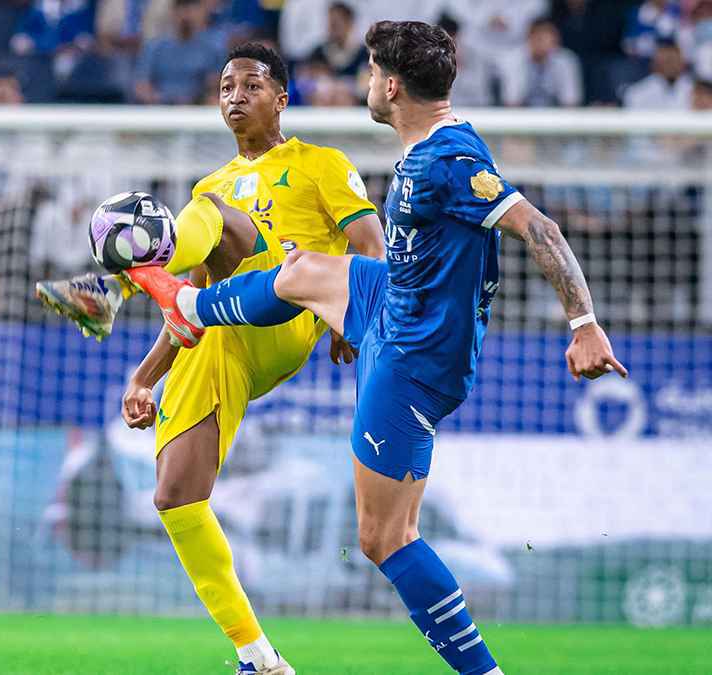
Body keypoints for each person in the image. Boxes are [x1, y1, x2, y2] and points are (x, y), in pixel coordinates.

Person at [110, 21, 627, 674]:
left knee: (383, 537)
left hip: (412, 354)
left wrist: (584, 322)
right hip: (389, 298)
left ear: (388, 84)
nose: (361, 84)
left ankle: (484, 671)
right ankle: (190, 302)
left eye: (368, 72)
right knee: (301, 270)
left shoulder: (446, 161)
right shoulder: (425, 151)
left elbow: (541, 230)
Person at [36, 41, 385, 675]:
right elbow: (191, 304)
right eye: (225, 86)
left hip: (289, 310)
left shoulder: (319, 164)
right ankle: (258, 655)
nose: (234, 96)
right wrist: (143, 378)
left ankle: (110, 287)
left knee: (209, 214)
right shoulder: (212, 184)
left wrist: (354, 312)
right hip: (221, 329)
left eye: (250, 85)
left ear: (281, 98)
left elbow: (369, 241)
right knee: (175, 496)